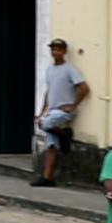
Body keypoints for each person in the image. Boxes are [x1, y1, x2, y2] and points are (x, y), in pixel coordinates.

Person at [37, 38, 93, 189]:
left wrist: (73, 105)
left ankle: (64, 134)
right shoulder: (50, 69)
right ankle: (47, 177)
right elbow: (48, 92)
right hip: (52, 110)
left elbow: (84, 88)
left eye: (59, 49)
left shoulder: (69, 69)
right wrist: (42, 111)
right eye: (53, 49)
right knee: (51, 145)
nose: (56, 52)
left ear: (64, 51)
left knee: (45, 124)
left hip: (63, 111)